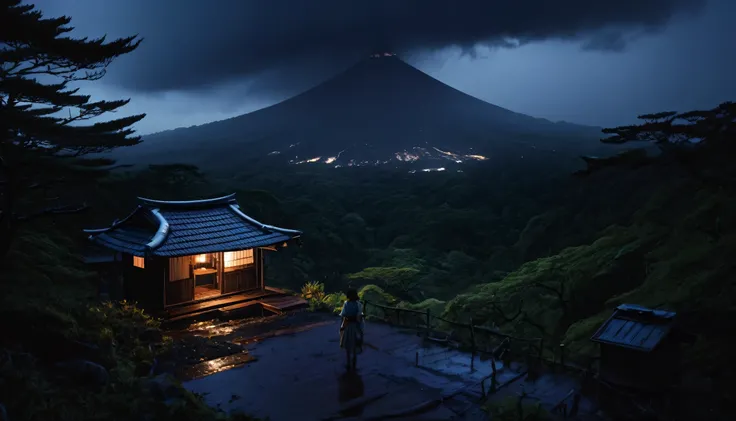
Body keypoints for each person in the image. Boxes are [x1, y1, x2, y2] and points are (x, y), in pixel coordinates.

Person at [339, 288, 364, 370]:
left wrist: (342, 326)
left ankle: (348, 362)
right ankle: (354, 362)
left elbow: (343, 316)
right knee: (354, 344)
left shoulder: (346, 304)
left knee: (347, 344)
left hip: (348, 326)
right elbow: (359, 317)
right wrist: (361, 329)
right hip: (355, 326)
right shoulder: (358, 304)